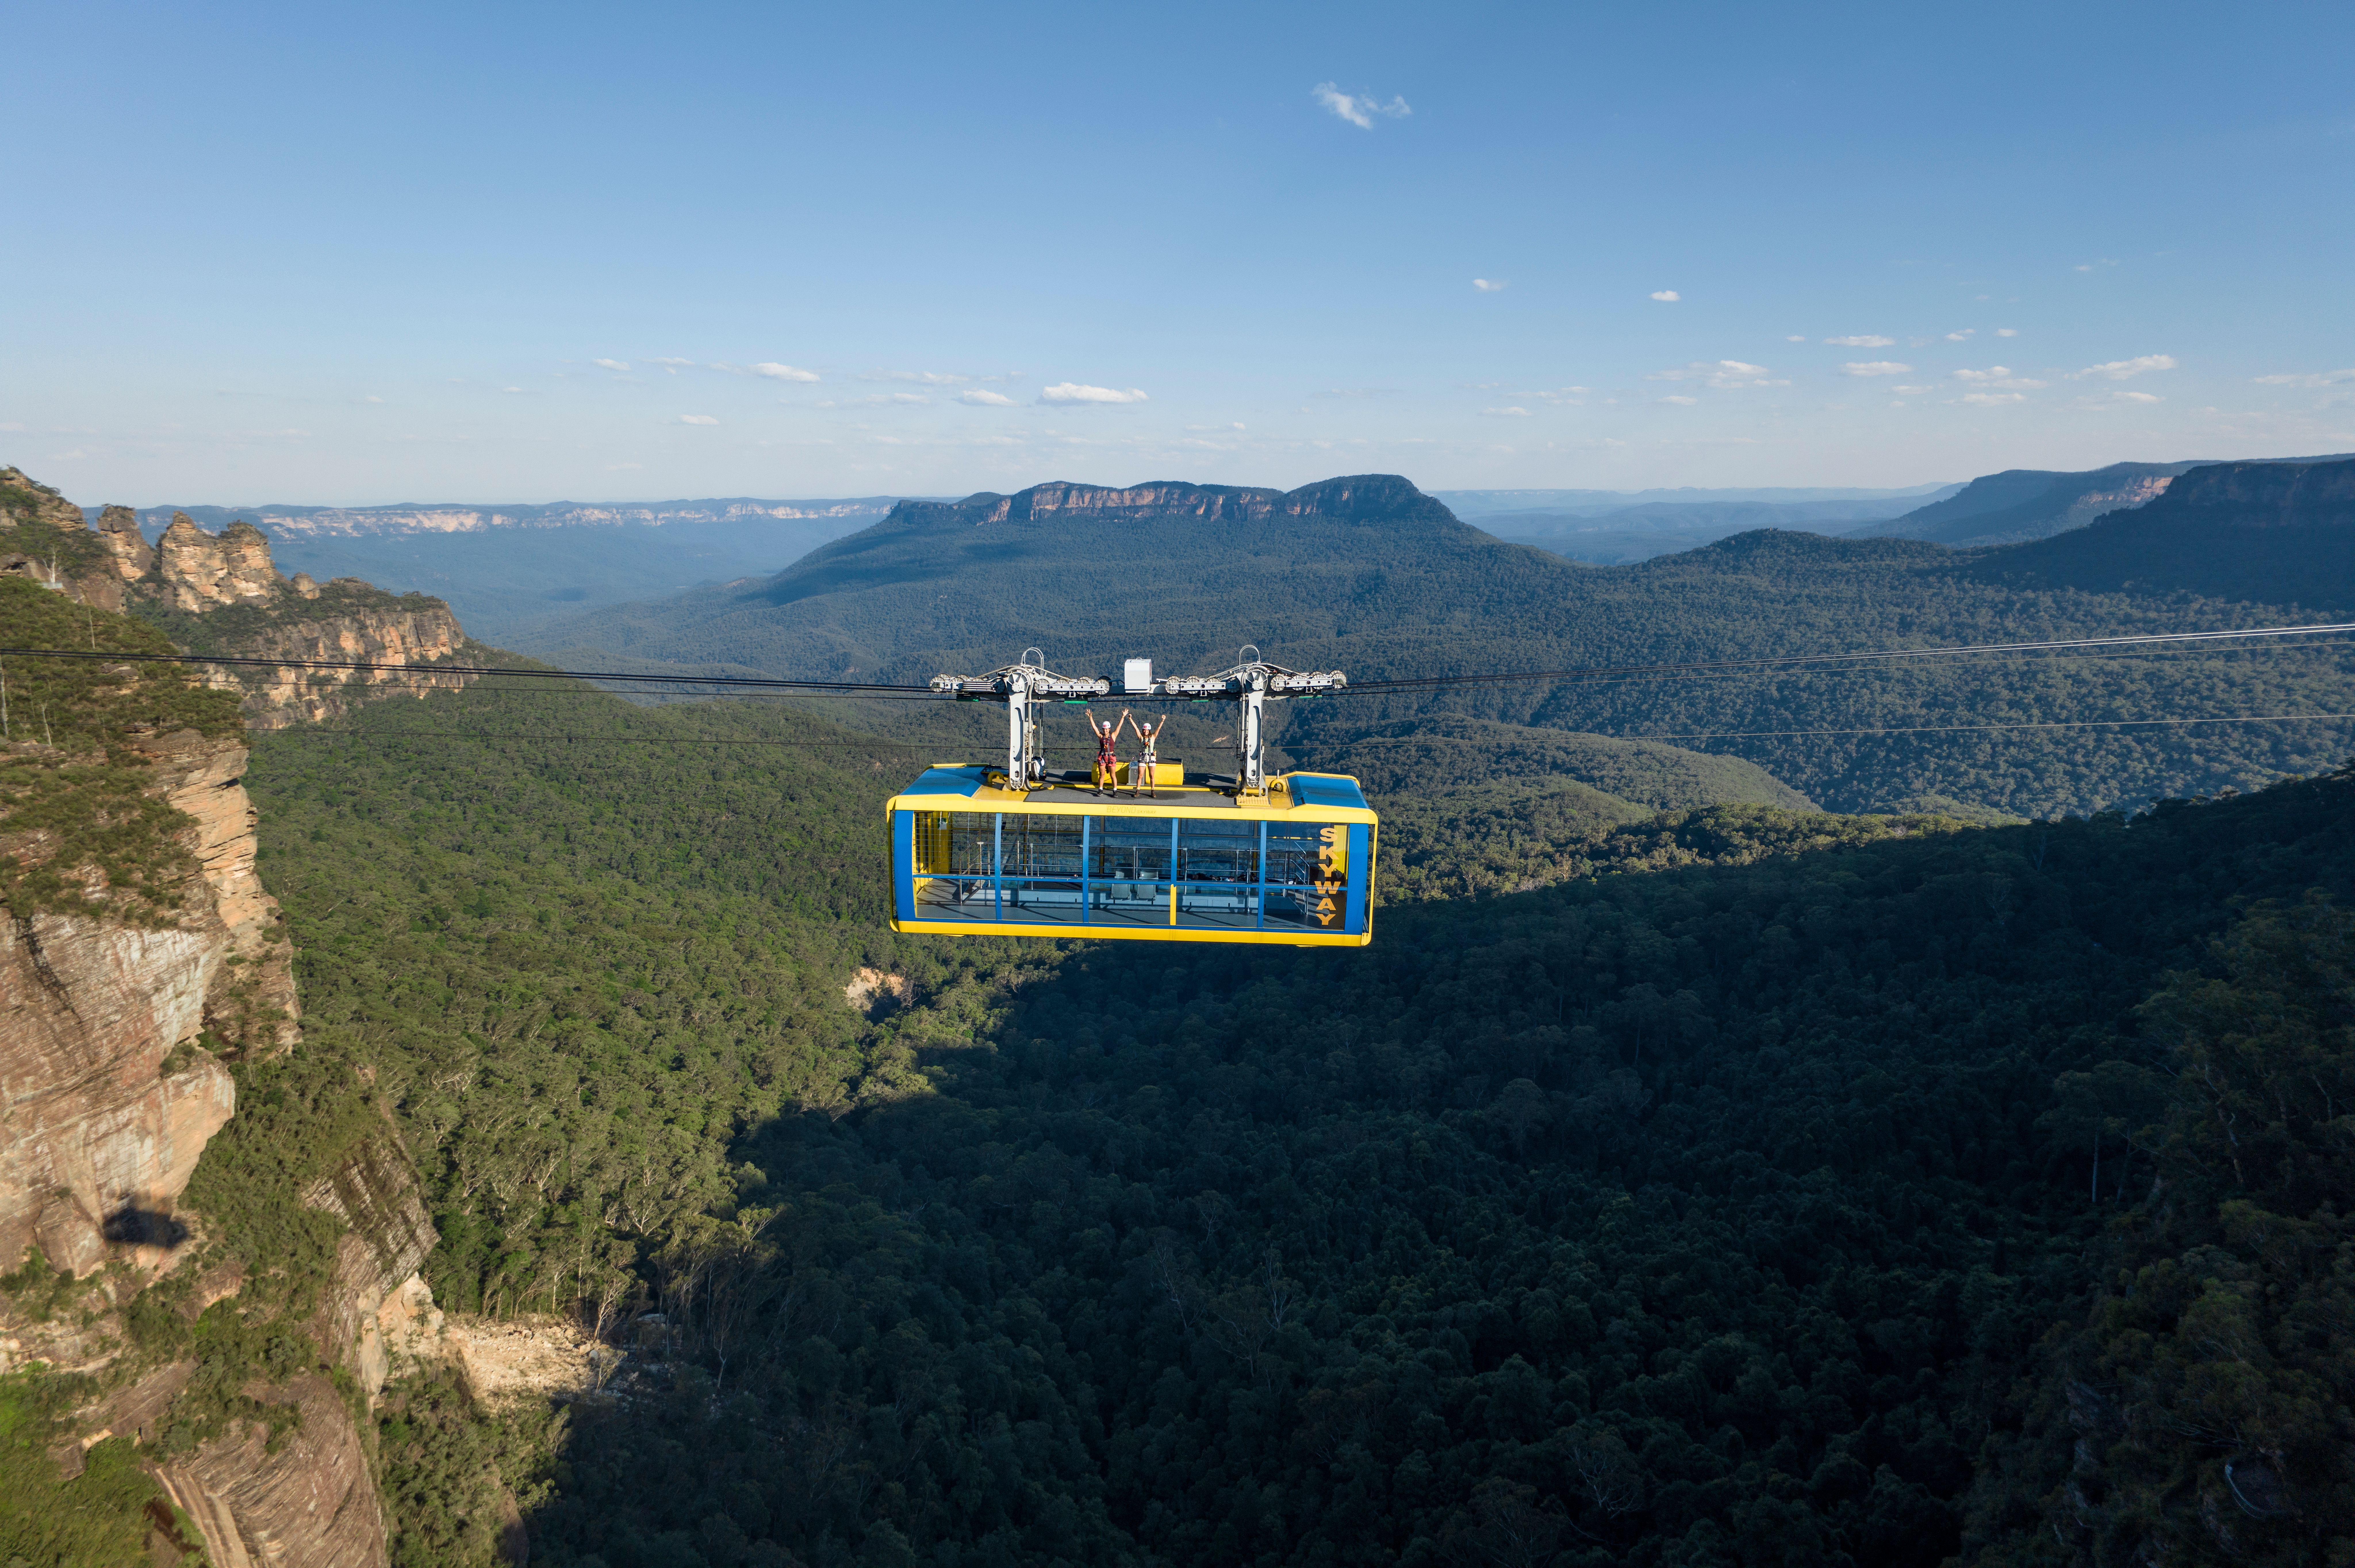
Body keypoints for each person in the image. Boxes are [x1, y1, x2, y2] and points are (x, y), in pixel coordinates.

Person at [1085, 707, 1127, 796]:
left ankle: (1115, 791)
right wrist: (1090, 718)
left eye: (1107, 729)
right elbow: (1094, 728)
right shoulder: (1101, 736)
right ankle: (1101, 790)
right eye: (1104, 729)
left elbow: (1119, 727)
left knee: (1113, 775)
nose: (1105, 731)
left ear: (1109, 729)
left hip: (1111, 757)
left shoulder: (1113, 736)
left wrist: (1123, 717)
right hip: (1102, 757)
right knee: (1102, 775)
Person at [1125, 710, 1166, 798]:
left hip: (1151, 757)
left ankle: (1153, 791)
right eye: (1145, 730)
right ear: (1143, 730)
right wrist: (1131, 720)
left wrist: (1162, 721)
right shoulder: (1141, 738)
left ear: (1149, 730)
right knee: (1140, 775)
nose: (1146, 731)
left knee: (1152, 776)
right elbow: (1136, 728)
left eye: (1147, 730)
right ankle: (1138, 791)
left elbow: (1158, 729)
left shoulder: (1153, 737)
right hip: (1143, 757)